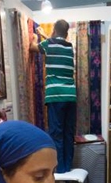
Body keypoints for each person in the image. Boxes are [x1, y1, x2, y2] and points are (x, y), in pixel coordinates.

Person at [30, 20, 76, 174]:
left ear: (54, 31)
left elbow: (33, 48)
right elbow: (53, 41)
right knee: (68, 133)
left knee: (56, 133)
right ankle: (67, 167)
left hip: (56, 95)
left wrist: (36, 38)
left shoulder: (48, 44)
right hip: (70, 96)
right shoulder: (69, 47)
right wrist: (46, 35)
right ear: (67, 33)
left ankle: (60, 170)